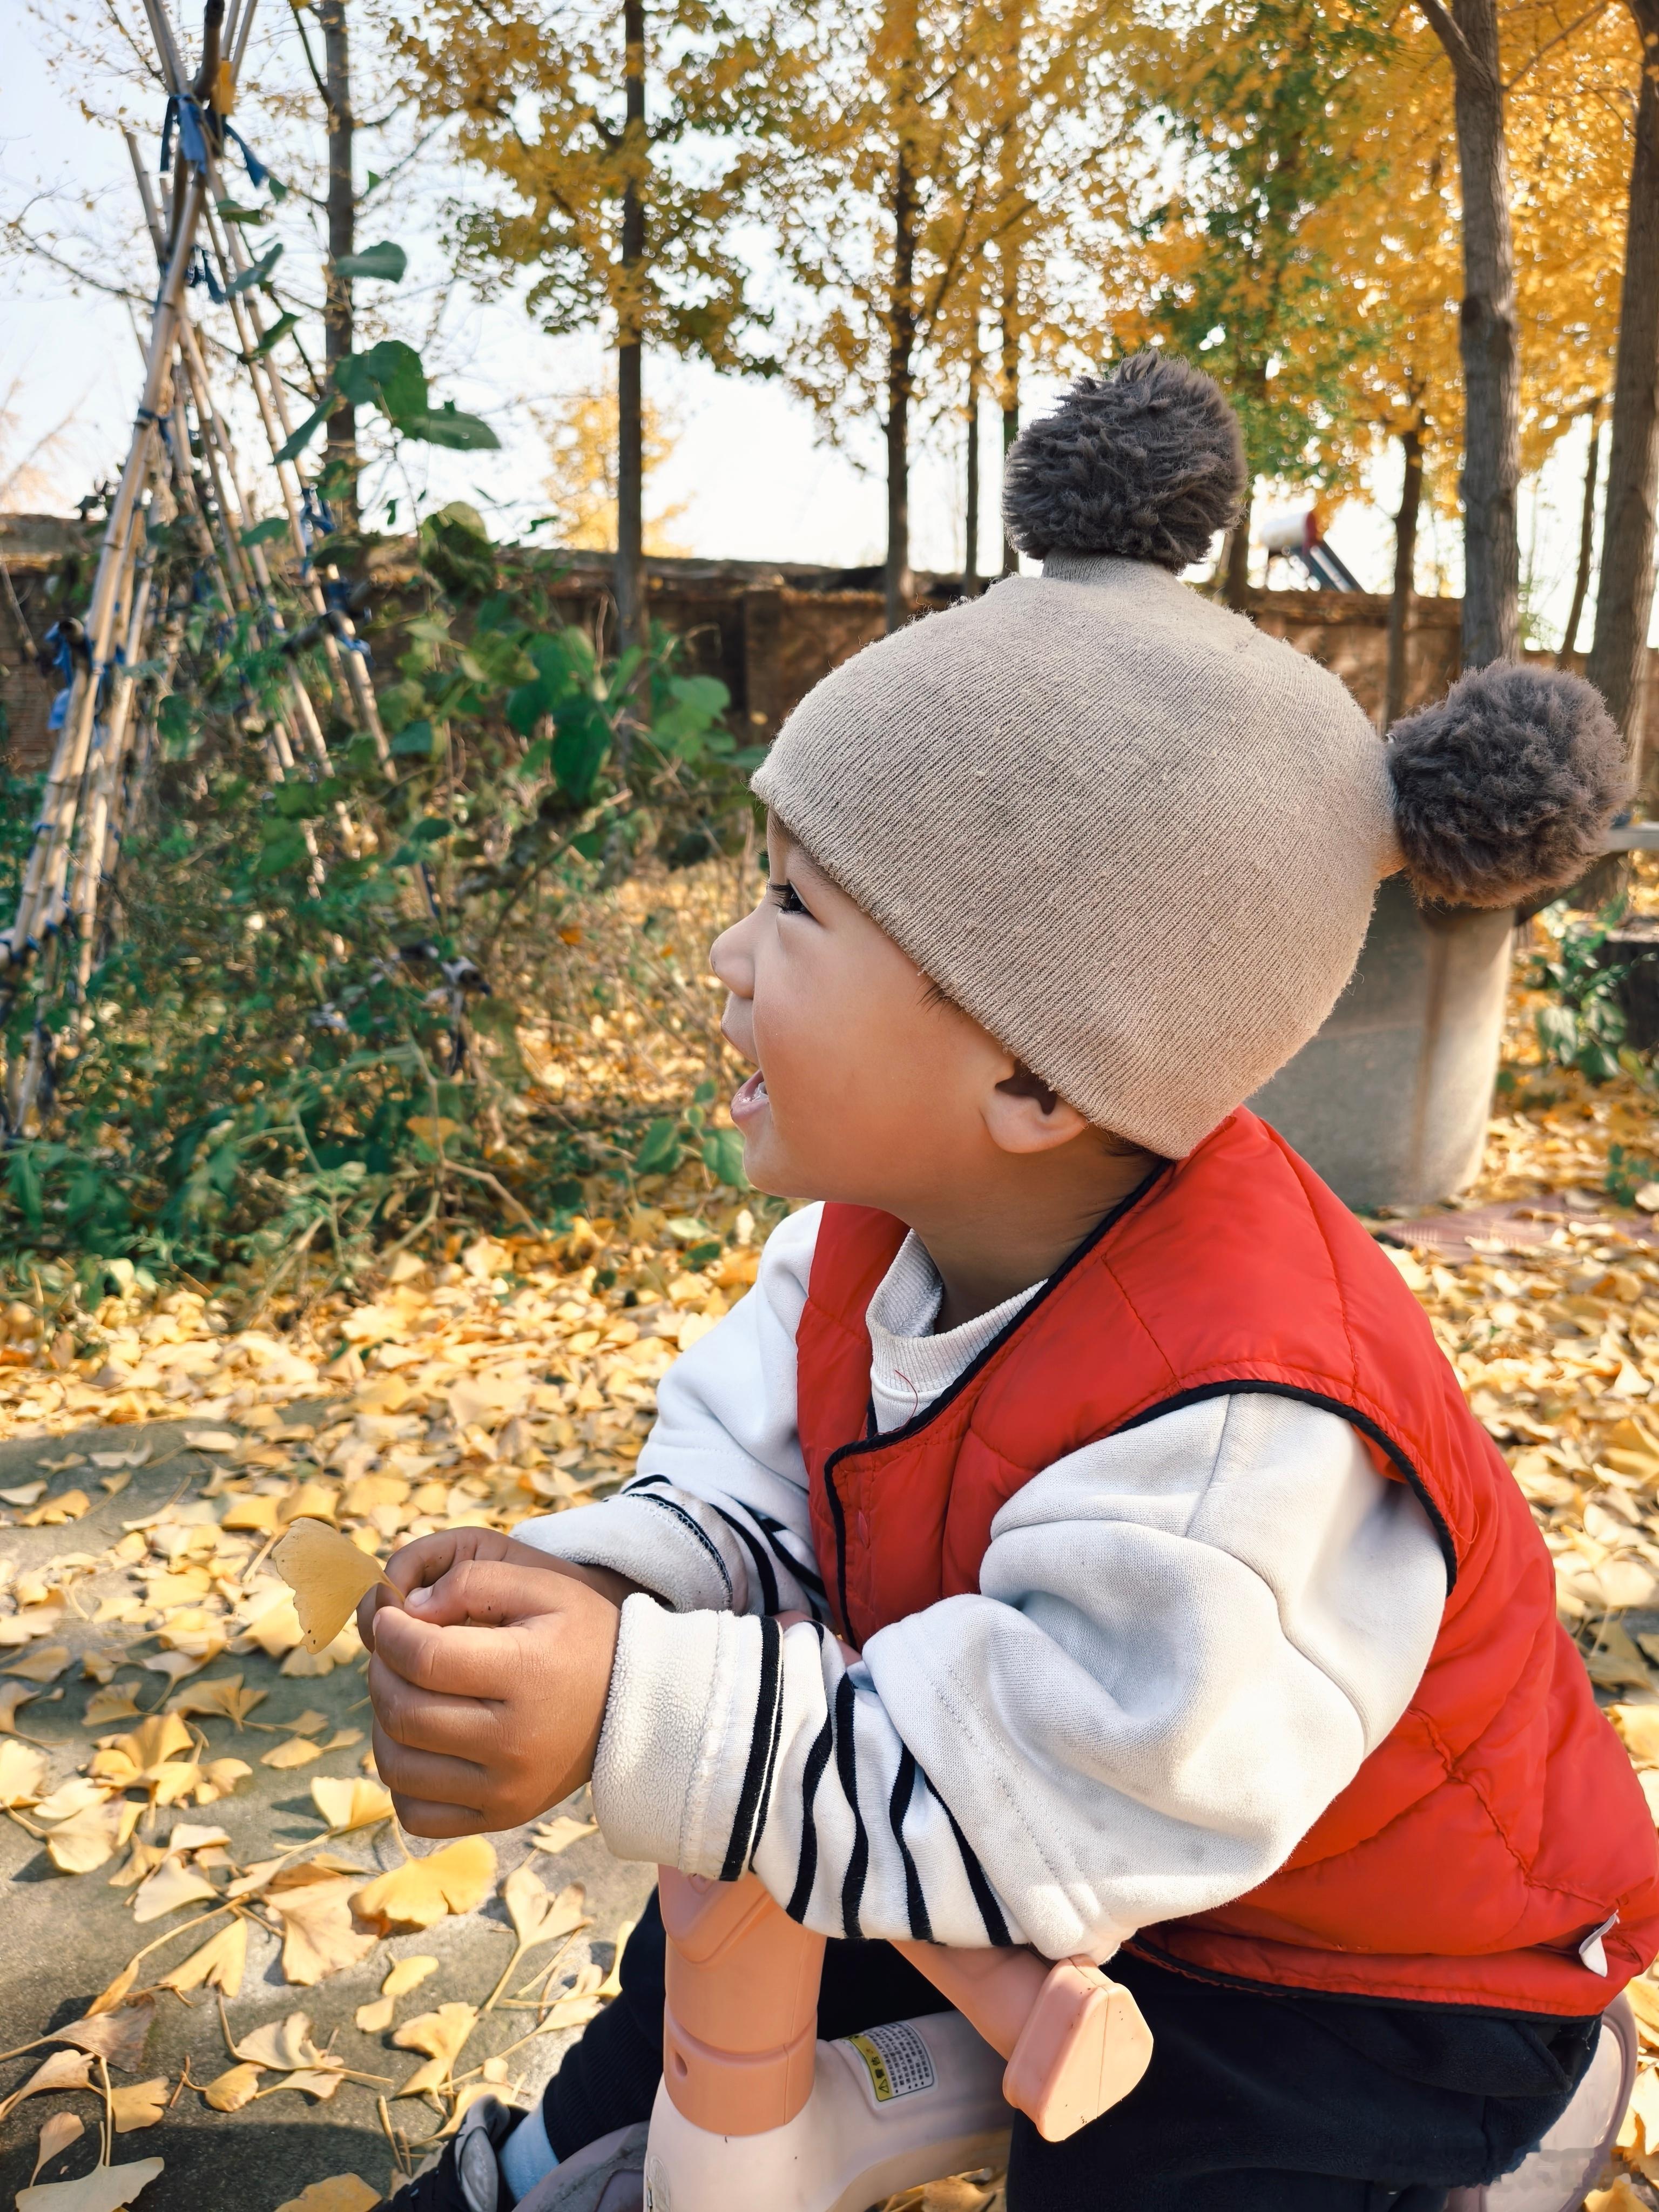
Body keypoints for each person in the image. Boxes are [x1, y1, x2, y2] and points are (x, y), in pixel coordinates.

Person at [363, 354, 1659, 2212]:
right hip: (1063, 1854)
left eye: (797, 910)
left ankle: (1505, 2150)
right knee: (726, 1911)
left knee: (1152, 2169)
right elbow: (756, 1502)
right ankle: (590, 2152)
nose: (730, 957)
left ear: (1036, 1076)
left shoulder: (1255, 1421)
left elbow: (1067, 1776)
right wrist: (588, 1592)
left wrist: (648, 1712)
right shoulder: (862, 1244)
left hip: (1385, 1984)